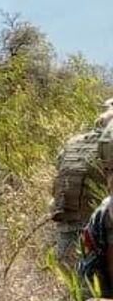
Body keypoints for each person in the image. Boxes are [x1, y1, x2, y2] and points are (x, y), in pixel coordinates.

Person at [50, 102, 113, 267]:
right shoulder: (107, 145)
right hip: (98, 231)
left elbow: (58, 174)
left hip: (65, 226)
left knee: (74, 286)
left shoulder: (73, 142)